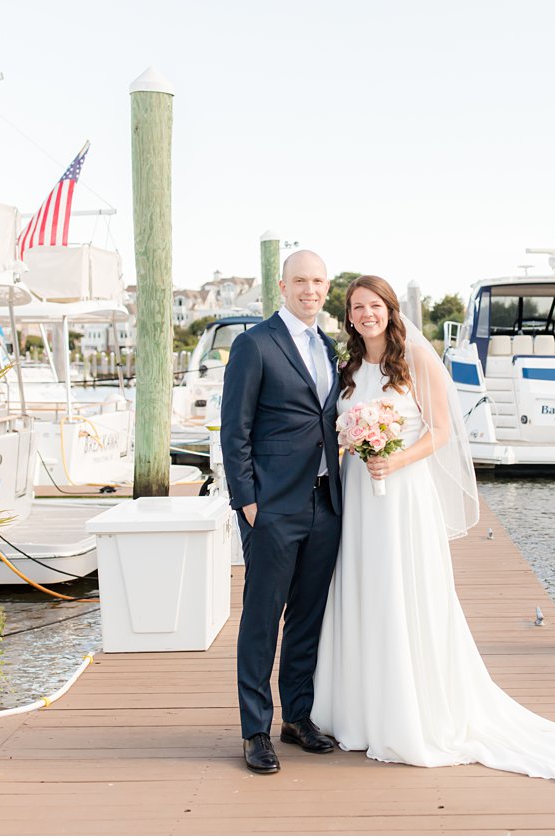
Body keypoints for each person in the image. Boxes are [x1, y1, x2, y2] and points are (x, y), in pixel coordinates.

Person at [311, 275, 555, 788]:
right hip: (359, 497)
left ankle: (408, 714)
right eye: (357, 307)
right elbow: (339, 430)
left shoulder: (417, 360)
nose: (366, 314)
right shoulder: (348, 369)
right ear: (348, 317)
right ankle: (358, 711)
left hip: (402, 496)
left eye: (374, 305)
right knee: (363, 592)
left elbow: (441, 432)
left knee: (404, 593)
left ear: (390, 311)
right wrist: (357, 446)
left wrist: (394, 459)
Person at [219, 250, 343, 775]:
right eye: (300, 281)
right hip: (270, 506)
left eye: (317, 281)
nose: (309, 289)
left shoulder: (330, 348)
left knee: (308, 617)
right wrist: (247, 500)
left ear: (326, 286)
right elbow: (235, 428)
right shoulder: (254, 344)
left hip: (325, 501)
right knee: (262, 618)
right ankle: (255, 730)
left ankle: (297, 717)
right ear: (282, 285)